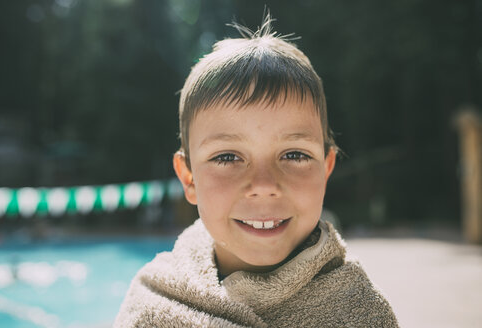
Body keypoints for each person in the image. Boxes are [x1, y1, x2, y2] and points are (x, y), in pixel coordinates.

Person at [114, 12, 398, 328]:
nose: (263, 184)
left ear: (326, 170)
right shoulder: (153, 305)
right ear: (188, 178)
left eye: (293, 154)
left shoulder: (362, 311)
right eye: (227, 158)